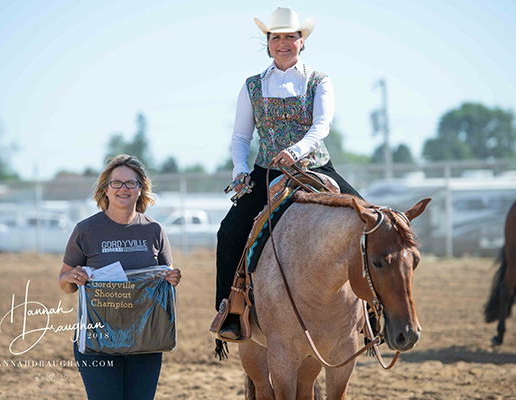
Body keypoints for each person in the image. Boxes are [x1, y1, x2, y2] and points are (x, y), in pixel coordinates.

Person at [216, 7, 362, 339]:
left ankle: (373, 312)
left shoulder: (319, 81)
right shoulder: (252, 86)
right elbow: (241, 137)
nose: (283, 43)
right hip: (266, 171)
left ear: (301, 41)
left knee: (371, 222)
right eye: (276, 37)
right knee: (228, 233)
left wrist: (296, 151)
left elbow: (321, 126)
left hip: (314, 165)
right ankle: (230, 311)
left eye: (290, 37)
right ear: (268, 43)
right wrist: (241, 170)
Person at [58, 154, 181, 400]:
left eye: (130, 183)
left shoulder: (155, 230)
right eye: (116, 183)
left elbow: (165, 281)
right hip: (98, 341)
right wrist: (72, 276)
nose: (123, 188)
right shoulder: (85, 230)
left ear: (140, 189)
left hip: (146, 340)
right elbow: (64, 283)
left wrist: (173, 278)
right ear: (105, 189)